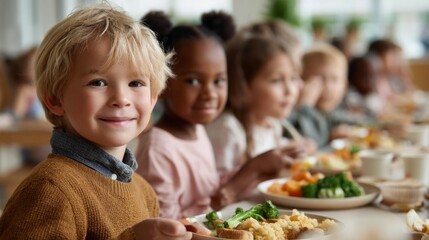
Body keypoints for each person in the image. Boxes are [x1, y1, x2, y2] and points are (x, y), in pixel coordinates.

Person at [0, 4, 192, 239]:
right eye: (98, 82)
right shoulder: (51, 190)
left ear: (153, 98)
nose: (121, 99)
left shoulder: (143, 191)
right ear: (54, 99)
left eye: (136, 84)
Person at [136, 10, 234, 219]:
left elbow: (207, 188)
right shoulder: (157, 149)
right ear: (161, 83)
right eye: (193, 81)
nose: (210, 94)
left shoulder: (197, 129)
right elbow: (165, 225)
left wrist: (257, 170)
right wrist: (234, 187)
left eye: (218, 80)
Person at [206, 22, 312, 209]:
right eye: (277, 80)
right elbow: (212, 201)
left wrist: (296, 151)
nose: (290, 90)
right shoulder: (227, 130)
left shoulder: (273, 123)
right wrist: (255, 167)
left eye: (293, 78)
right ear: (243, 85)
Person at [290, 43, 367, 147]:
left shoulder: (328, 113)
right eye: (320, 79)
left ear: (344, 85)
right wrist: (305, 106)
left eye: (334, 80)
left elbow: (358, 121)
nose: (328, 87)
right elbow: (312, 144)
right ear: (301, 81)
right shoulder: (294, 115)